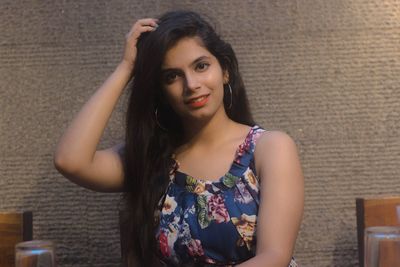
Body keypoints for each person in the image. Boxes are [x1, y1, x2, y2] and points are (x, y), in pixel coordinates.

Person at [54, 10, 304, 267]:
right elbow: (70, 160)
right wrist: (127, 67)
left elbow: (275, 257)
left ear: (225, 71)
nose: (191, 84)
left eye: (201, 66)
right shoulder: (153, 157)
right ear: (161, 92)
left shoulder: (269, 148)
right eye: (172, 76)